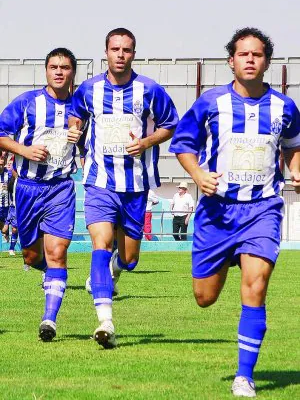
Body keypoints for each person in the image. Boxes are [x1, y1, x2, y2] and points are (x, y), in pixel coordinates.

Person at [169, 27, 300, 398]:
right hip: (217, 213)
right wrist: (197, 174)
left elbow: (293, 145)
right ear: (231, 61)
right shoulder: (211, 103)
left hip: (263, 209)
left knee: (256, 287)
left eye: (257, 54)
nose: (250, 59)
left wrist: (295, 168)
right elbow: (183, 144)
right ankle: (228, 257)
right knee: (204, 297)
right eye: (243, 54)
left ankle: (245, 376)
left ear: (267, 62)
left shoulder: (284, 107)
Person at [68, 27, 178, 349]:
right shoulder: (88, 89)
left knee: (129, 260)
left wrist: (146, 141)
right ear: (106, 52)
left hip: (136, 185)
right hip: (100, 182)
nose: (120, 54)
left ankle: (113, 271)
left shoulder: (150, 90)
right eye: (115, 49)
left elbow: (170, 124)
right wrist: (75, 130)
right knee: (100, 244)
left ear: (133, 53)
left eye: (126, 50)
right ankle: (106, 321)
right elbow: (76, 116)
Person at [0, 47, 77, 342]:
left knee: (57, 253)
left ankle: (49, 320)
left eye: (65, 67)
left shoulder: (80, 107)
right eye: (54, 67)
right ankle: (50, 275)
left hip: (61, 188)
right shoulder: (27, 102)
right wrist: (24, 150)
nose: (59, 71)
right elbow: (1, 133)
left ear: (72, 72)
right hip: (28, 188)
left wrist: (80, 136)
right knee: (32, 257)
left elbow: (91, 141)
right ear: (46, 70)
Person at [2, 166, 19, 257]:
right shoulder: (10, 180)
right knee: (4, 230)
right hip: (10, 207)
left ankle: (11, 248)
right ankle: (6, 234)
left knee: (15, 229)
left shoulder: (23, 181)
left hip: (19, 208)